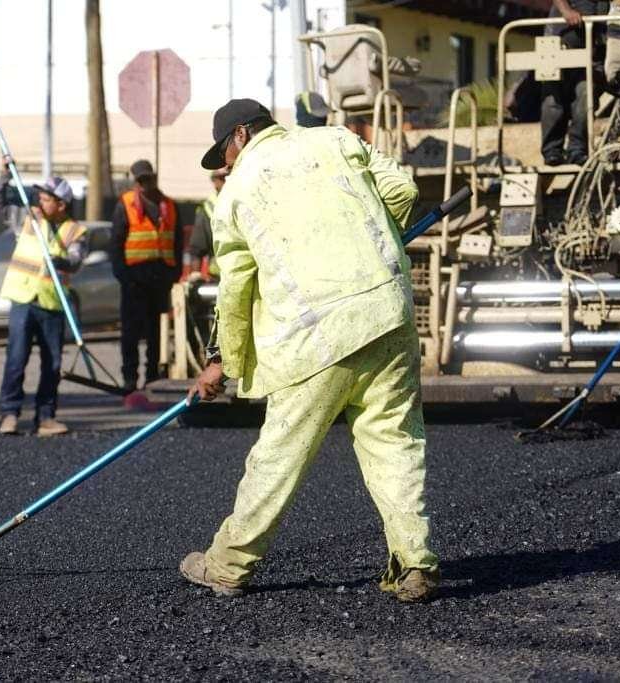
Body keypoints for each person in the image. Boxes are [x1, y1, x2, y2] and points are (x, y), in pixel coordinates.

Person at [179, 99, 440, 603]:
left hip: (314, 335)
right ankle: (416, 563)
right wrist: (374, 241)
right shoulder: (336, 140)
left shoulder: (235, 195)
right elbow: (403, 191)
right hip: (386, 314)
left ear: (240, 135)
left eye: (224, 154)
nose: (226, 165)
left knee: (278, 455)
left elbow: (235, 290)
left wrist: (220, 363)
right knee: (395, 444)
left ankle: (228, 566)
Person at [0, 161, 89, 436]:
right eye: (41, 197)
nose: (40, 201)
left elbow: (75, 262)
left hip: (53, 305)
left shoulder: (75, 231)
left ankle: (45, 417)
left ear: (61, 204)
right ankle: (9, 414)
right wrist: (3, 174)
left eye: (46, 198)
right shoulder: (29, 219)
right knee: (16, 358)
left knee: (52, 364)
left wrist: (59, 259)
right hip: (23, 299)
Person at [110, 159, 184, 390]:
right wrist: (123, 274)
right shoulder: (126, 204)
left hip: (160, 275)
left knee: (157, 330)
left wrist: (174, 272)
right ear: (135, 182)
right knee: (131, 331)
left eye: (148, 179)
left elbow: (178, 241)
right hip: (134, 276)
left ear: (154, 178)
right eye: (140, 180)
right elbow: (116, 243)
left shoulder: (169, 206)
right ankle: (130, 377)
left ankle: (153, 375)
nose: (145, 184)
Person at [541, 0, 608, 166]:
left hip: (593, 45)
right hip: (560, 40)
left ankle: (577, 150)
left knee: (586, 95)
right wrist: (566, 10)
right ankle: (552, 151)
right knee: (554, 100)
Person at [188, 168, 229, 282]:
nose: (227, 181)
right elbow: (197, 248)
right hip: (219, 279)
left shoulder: (250, 201)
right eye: (222, 178)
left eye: (230, 176)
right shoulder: (208, 209)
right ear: (214, 181)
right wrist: (195, 275)